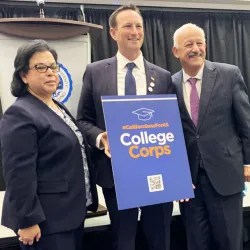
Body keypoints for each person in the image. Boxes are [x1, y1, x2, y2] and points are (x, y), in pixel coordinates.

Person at [77, 4, 173, 250]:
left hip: (156, 173)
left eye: (139, 26)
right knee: (123, 241)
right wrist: (101, 138)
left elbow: (173, 125)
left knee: (159, 240)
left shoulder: (162, 76)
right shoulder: (95, 72)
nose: (135, 31)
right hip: (115, 175)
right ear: (113, 33)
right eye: (128, 26)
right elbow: (83, 121)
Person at [0, 39, 98, 250]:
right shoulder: (20, 113)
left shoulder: (56, 106)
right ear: (23, 75)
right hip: (45, 223)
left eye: (53, 66)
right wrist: (27, 220)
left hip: (70, 214)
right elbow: (18, 173)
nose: (50, 72)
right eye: (41, 67)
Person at [172, 23, 250, 250]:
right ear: (176, 51)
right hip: (190, 182)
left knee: (229, 242)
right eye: (189, 44)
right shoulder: (171, 83)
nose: (196, 48)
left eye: (200, 42)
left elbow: (245, 122)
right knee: (196, 242)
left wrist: (248, 162)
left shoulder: (229, 74)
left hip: (226, 174)